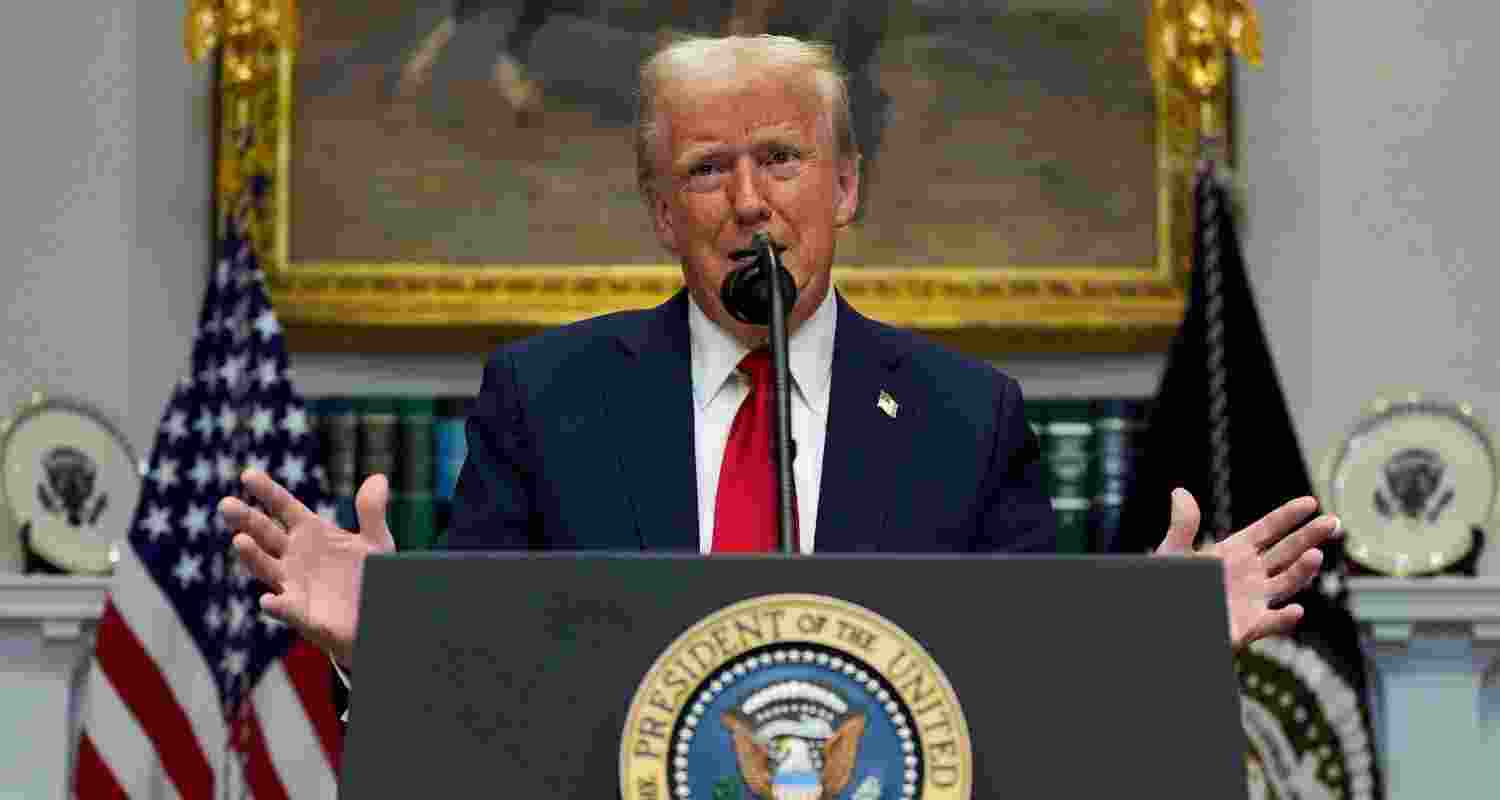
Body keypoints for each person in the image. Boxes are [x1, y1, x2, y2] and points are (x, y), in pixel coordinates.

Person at [221, 34, 1339, 674]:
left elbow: (1022, 687)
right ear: (663, 213)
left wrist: (1153, 648)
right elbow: (481, 691)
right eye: (707, 170)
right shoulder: (546, 399)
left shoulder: (965, 417)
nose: (749, 202)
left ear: (845, 186)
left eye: (781, 159)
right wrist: (383, 644)